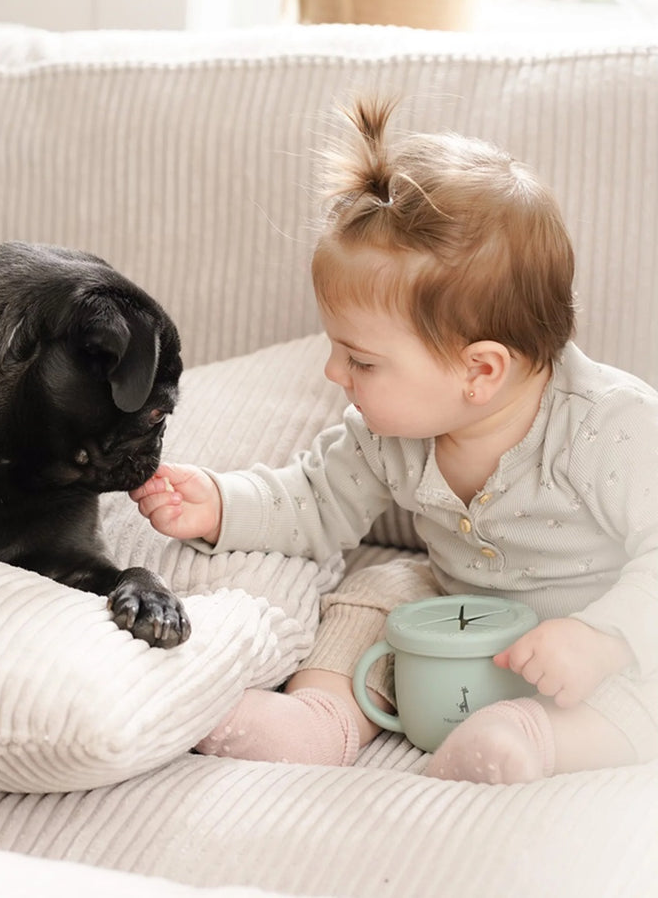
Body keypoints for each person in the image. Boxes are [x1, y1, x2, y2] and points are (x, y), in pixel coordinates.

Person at [130, 96, 658, 784]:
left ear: (480, 370)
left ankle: (534, 735)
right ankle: (322, 716)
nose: (332, 372)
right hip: (457, 615)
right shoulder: (388, 435)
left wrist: (601, 638)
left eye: (362, 360)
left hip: (588, 635)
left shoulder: (611, 427)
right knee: (376, 587)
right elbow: (313, 499)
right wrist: (220, 504)